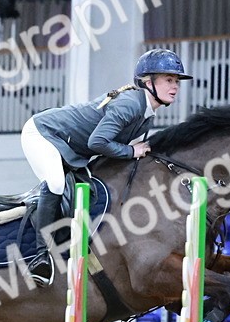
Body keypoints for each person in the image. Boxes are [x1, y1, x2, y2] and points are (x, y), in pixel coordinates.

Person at [19, 48, 191, 285]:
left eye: (177, 82)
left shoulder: (147, 114)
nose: (175, 87)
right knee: (57, 183)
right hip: (43, 133)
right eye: (169, 80)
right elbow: (97, 142)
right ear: (147, 82)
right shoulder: (131, 105)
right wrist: (132, 151)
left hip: (71, 148)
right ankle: (39, 258)